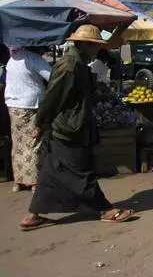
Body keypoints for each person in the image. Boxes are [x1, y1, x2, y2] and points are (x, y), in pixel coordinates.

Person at [20, 25, 135, 231]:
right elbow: (53, 97)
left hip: (72, 125)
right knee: (80, 171)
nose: (98, 50)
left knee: (51, 174)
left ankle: (32, 216)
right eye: (96, 45)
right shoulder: (70, 65)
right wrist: (40, 123)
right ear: (87, 44)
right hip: (68, 127)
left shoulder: (80, 64)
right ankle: (104, 209)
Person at [5, 46, 51, 193]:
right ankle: (34, 181)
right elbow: (52, 76)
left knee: (18, 144)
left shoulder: (12, 59)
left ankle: (18, 181)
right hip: (31, 105)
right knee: (35, 142)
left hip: (13, 106)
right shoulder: (33, 58)